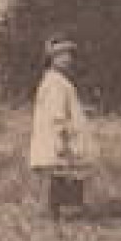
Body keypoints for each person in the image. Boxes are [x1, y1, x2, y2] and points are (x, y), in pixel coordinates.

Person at [30, 35, 94, 220]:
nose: (68, 59)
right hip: (59, 138)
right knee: (61, 175)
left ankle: (62, 210)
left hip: (60, 135)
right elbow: (56, 113)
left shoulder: (58, 81)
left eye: (69, 55)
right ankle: (59, 211)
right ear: (52, 59)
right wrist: (62, 136)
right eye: (61, 55)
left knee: (65, 174)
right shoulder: (55, 83)